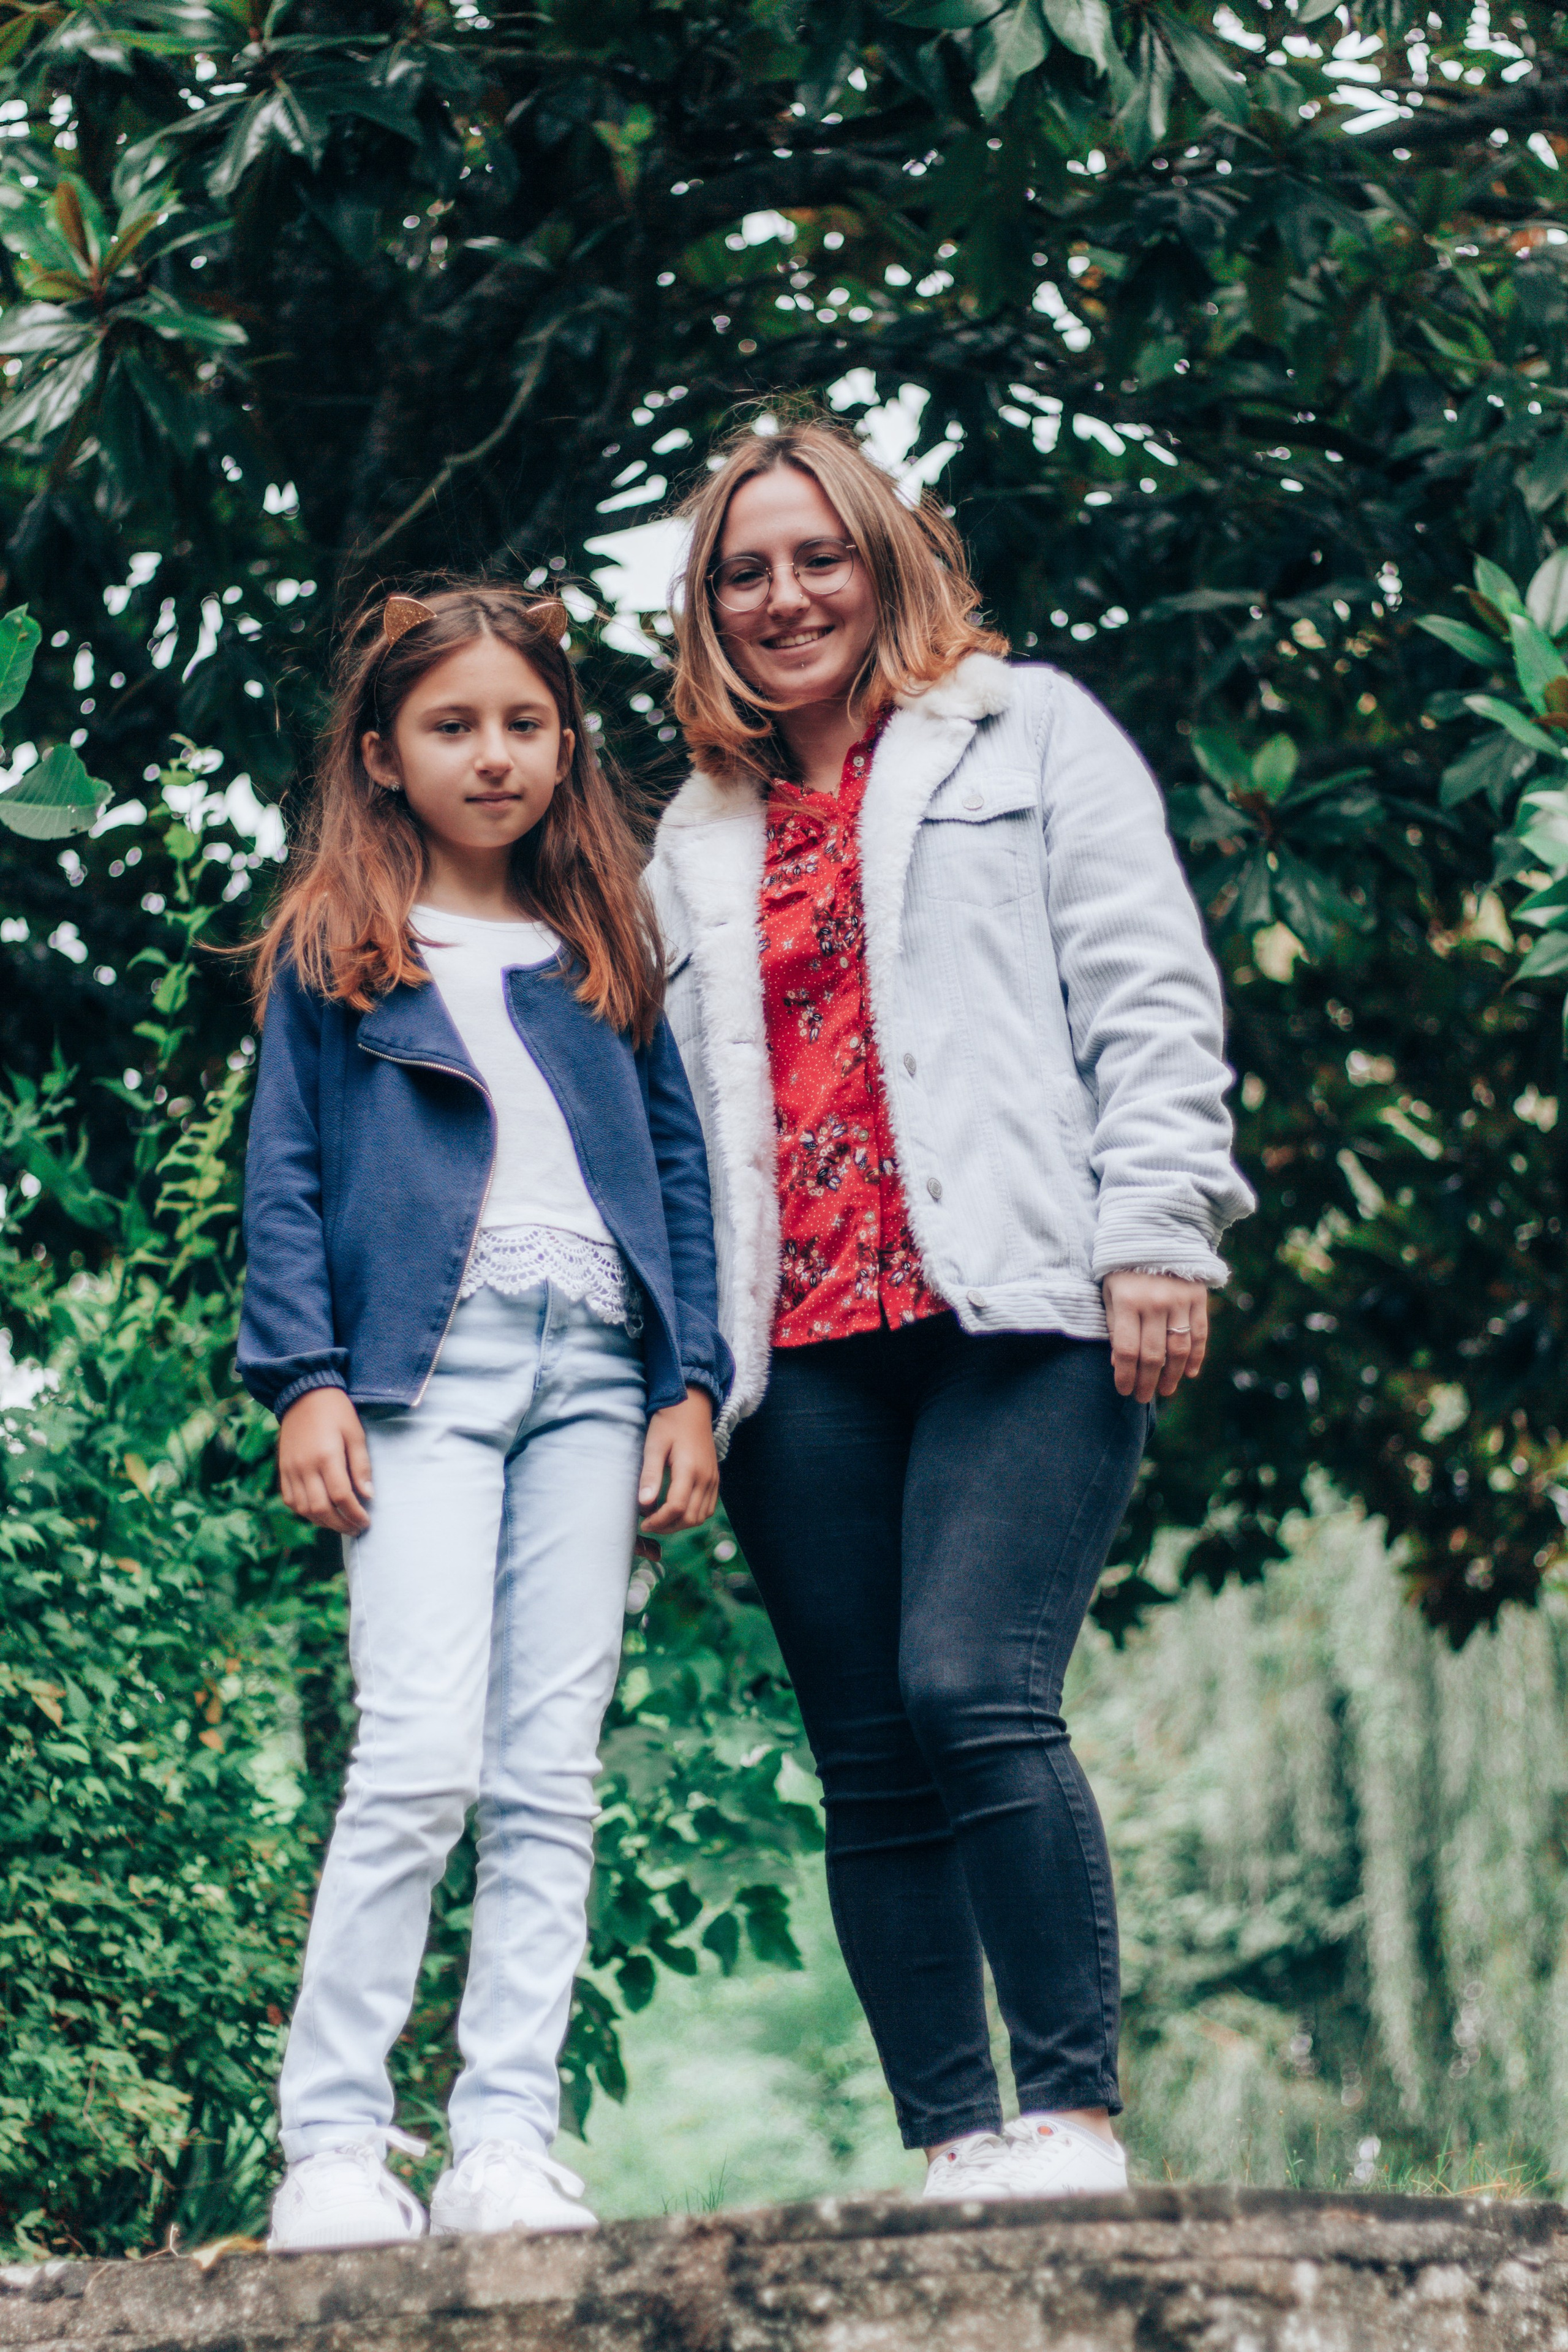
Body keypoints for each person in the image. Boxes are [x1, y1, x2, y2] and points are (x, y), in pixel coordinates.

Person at [646, 421, 1253, 2203]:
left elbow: (1148, 991)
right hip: (807, 1345)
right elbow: (681, 1121)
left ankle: (1069, 2121)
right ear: (708, 612)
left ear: (887, 559)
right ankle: (952, 2149)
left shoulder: (1031, 727)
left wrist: (1159, 1233)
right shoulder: (695, 832)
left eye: (817, 555)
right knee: (867, 1758)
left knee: (970, 1687)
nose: (785, 597)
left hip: (1027, 1303)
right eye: (744, 573)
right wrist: (682, 1371)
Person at [238, 583, 732, 2251]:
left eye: (525, 722)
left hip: (600, 1378)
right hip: (420, 1382)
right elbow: (287, 1180)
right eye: (453, 726)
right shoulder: (338, 951)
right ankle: (332, 2144)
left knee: (549, 1774)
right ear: (383, 758)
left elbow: (677, 1173)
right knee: (418, 1755)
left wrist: (695, 1383)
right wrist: (305, 1378)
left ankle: (504, 2142)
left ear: (567, 741)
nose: (495, 753)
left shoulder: (603, 949)